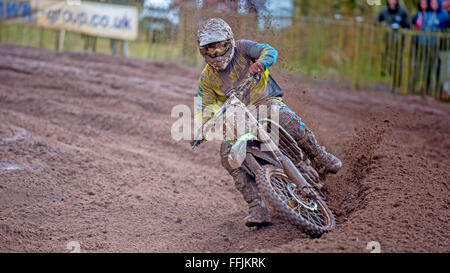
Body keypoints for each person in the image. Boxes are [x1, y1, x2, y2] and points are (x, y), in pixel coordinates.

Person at [192, 18, 342, 227]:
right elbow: (206, 108)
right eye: (211, 49)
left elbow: (269, 51)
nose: (217, 53)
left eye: (220, 47)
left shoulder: (244, 48)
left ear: (230, 43)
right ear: (203, 51)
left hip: (265, 101)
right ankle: (257, 206)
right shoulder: (207, 79)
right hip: (240, 117)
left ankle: (320, 156)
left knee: (281, 115)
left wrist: (260, 64)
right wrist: (202, 128)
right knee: (227, 152)